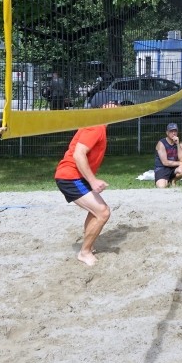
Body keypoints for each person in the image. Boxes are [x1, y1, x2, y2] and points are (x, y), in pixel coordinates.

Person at [54, 107, 115, 265]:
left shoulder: (99, 126)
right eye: (112, 104)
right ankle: (84, 252)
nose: (116, 107)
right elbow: (78, 154)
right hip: (70, 177)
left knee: (96, 212)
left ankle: (88, 247)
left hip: (77, 176)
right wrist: (93, 181)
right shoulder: (96, 126)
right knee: (103, 212)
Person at [153, 122, 182, 188]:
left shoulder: (180, 144)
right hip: (162, 168)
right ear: (167, 133)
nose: (173, 133)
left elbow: (181, 159)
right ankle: (165, 181)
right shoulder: (161, 143)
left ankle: (173, 180)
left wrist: (177, 144)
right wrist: (181, 163)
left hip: (174, 168)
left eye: (175, 131)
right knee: (162, 186)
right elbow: (165, 162)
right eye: (171, 131)